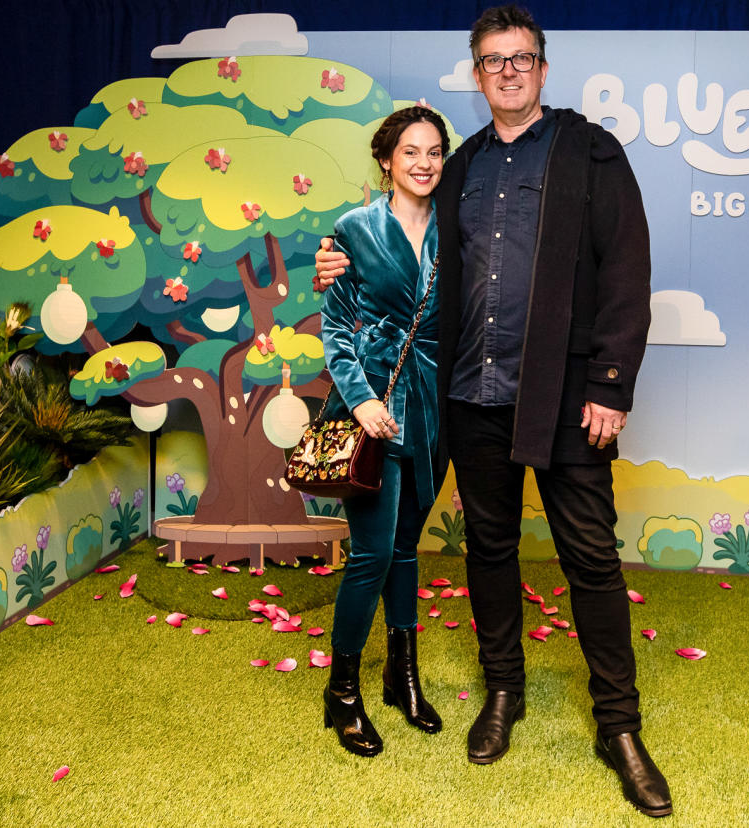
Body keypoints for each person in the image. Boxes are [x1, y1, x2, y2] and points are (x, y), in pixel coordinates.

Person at [316, 6, 670, 816]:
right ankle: (502, 694)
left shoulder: (593, 152)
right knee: (492, 551)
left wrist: (611, 386)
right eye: (492, 61)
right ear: (476, 76)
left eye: (521, 59)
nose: (507, 72)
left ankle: (618, 727)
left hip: (568, 400)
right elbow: (401, 252)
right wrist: (335, 265)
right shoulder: (462, 164)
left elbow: (627, 272)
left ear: (543, 70)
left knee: (592, 560)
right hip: (473, 399)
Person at [318, 105, 449, 757]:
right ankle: (342, 693)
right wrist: (362, 399)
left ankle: (403, 676)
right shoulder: (354, 229)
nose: (424, 163)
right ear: (386, 162)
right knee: (371, 553)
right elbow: (335, 327)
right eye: (411, 152)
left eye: (434, 152)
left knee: (404, 548)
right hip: (374, 408)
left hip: (434, 414)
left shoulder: (462, 233)